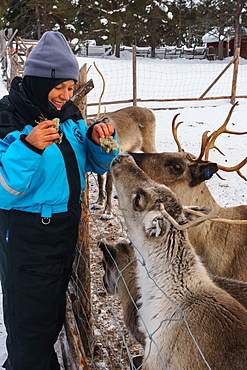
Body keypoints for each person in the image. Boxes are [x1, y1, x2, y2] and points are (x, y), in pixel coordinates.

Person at [0, 31, 119, 370]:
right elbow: (4, 190)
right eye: (60, 87)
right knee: (29, 330)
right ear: (38, 80)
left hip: (63, 234)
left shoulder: (70, 116)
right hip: (28, 237)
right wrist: (29, 147)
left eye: (71, 87)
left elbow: (95, 165)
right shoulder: (8, 117)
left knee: (48, 320)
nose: (66, 95)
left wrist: (100, 141)